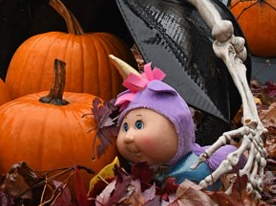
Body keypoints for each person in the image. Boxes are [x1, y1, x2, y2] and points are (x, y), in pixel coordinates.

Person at [90, 60, 241, 192]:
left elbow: (233, 156)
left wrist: (243, 160)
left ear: (178, 129)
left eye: (139, 124)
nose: (128, 137)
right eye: (125, 128)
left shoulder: (202, 159)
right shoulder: (145, 176)